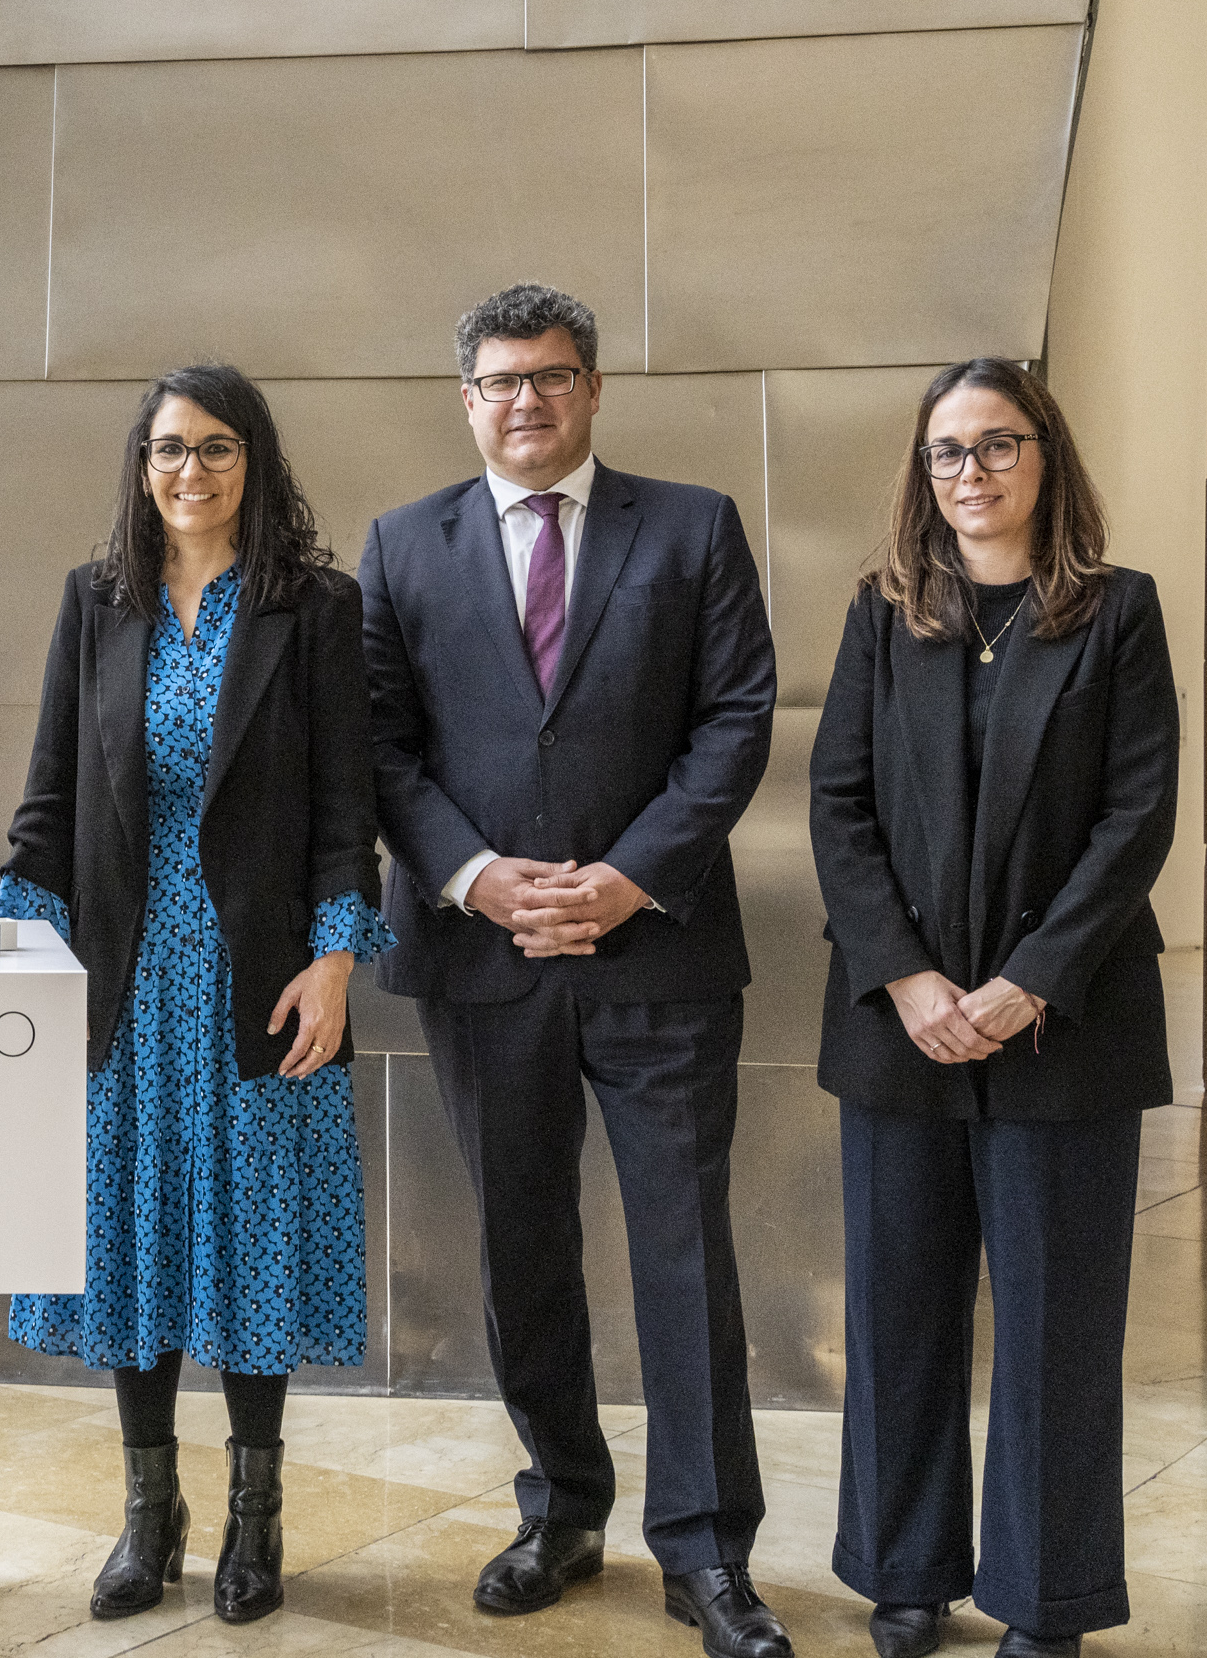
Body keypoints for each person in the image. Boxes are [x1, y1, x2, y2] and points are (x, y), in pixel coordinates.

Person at [362, 284, 786, 1658]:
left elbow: (735, 719)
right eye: (499, 380)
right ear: (466, 399)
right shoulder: (402, 543)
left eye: (550, 375)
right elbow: (376, 743)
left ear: (593, 387)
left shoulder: (692, 527)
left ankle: (707, 1548)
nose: (525, 401)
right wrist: (478, 876)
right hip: (483, 957)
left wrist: (624, 877)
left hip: (656, 949)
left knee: (683, 1251)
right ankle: (559, 1507)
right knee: (521, 1247)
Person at [0, 365, 388, 1624]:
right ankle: (146, 1510)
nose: (190, 470)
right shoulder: (96, 600)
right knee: (135, 1243)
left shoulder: (313, 607)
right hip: (121, 985)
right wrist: (31, 952)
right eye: (168, 448)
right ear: (140, 464)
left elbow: (346, 810)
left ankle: (253, 1516)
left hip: (262, 986)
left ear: (253, 461)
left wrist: (336, 958)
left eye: (217, 447)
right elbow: (47, 803)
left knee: (252, 1243)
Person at [808, 359, 1177, 1658]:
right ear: (923, 473)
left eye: (996, 443)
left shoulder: (1117, 612)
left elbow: (1136, 814)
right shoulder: (882, 613)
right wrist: (909, 977)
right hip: (898, 1024)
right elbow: (837, 806)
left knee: (1054, 1330)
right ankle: (902, 1570)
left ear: (1044, 454)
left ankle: (1045, 1594)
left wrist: (1028, 982)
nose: (970, 471)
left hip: (1064, 1026)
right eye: (947, 451)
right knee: (898, 1315)